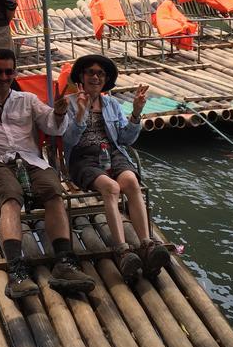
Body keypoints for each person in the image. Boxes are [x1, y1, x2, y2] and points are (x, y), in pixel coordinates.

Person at [0, 48, 96, 299]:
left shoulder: (28, 100)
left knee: (54, 191)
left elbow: (53, 128)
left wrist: (58, 112)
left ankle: (64, 262)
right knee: (10, 197)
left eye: (8, 71)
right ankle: (16, 271)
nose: (3, 77)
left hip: (31, 160)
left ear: (14, 73)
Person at [64, 54, 170, 284]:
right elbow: (68, 141)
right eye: (90, 72)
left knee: (131, 182)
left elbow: (125, 140)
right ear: (81, 76)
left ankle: (146, 244)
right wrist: (81, 113)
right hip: (83, 158)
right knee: (111, 188)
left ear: (105, 80)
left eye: (100, 73)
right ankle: (121, 250)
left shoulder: (111, 104)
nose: (95, 76)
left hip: (112, 152)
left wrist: (135, 113)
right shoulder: (70, 103)